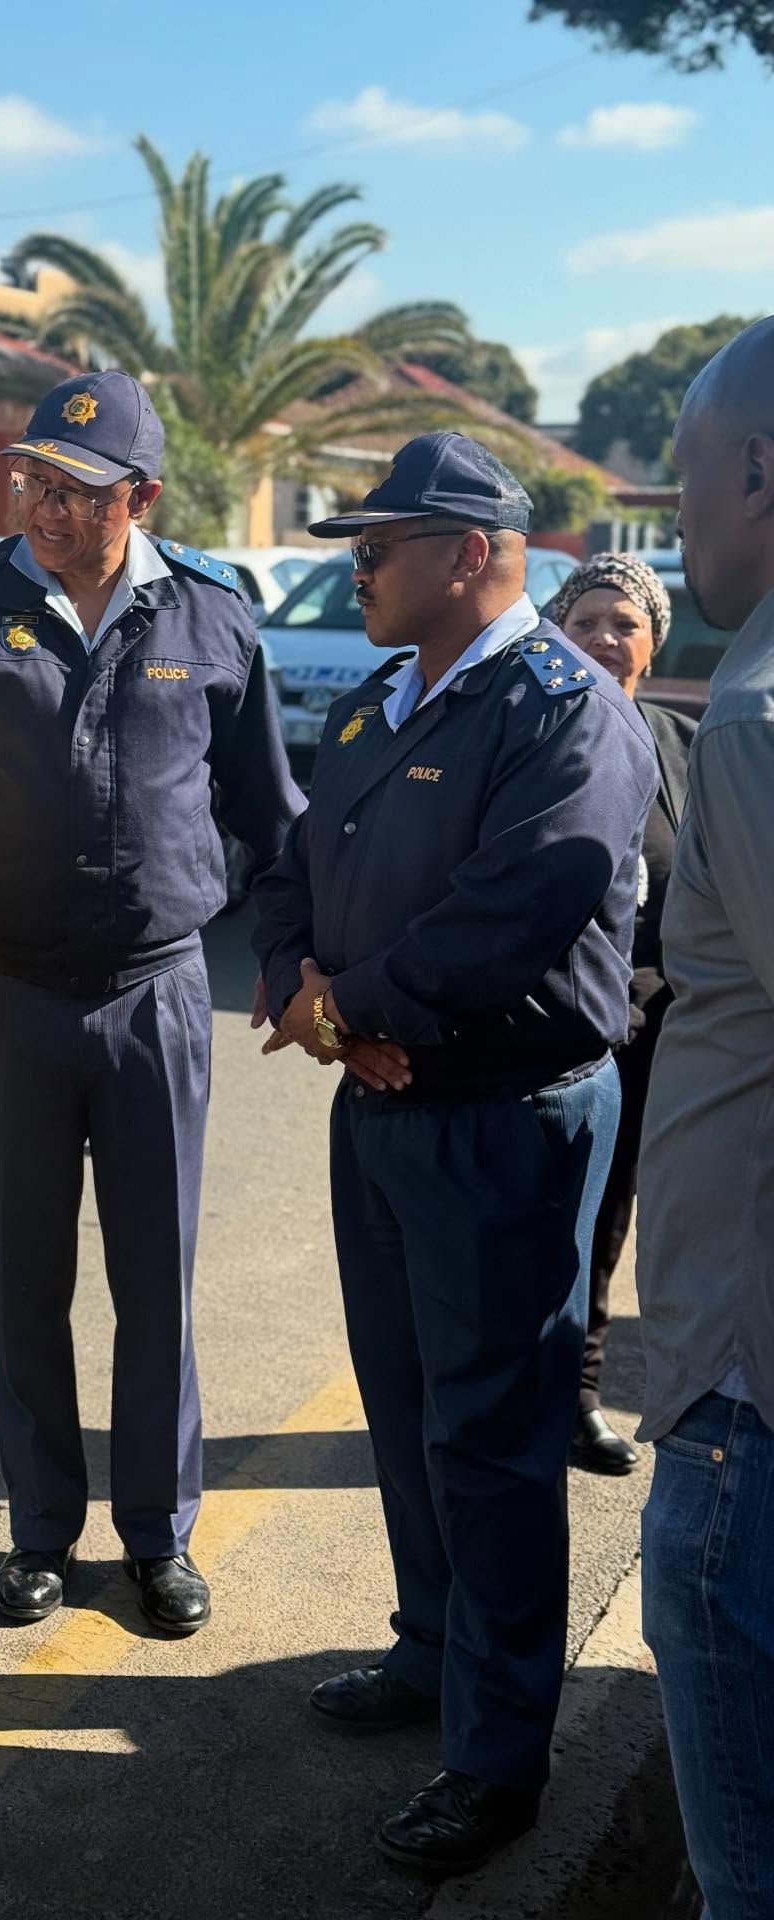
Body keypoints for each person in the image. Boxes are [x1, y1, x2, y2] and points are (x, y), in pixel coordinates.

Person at [251, 432, 657, 1876]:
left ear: (472, 556)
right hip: (382, 1107)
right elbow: (292, 868)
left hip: (502, 1116)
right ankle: (432, 1653)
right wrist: (307, 986)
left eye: (384, 541)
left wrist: (352, 1006)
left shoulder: (569, 714)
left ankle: (498, 1757)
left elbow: (520, 908)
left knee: (491, 1442)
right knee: (410, 1406)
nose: (356, 562)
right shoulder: (376, 702)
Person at [0, 371, 300, 1635]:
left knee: (155, 1278)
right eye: (32, 482)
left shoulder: (213, 618)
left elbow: (273, 819)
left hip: (158, 998)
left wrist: (298, 956)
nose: (43, 508)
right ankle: (40, 1530)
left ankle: (157, 1535)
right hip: (10, 996)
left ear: (140, 498)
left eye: (74, 491)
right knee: (25, 1279)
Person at [637, 317, 774, 1920]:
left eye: (682, 480)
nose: (673, 523)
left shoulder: (748, 717)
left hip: (746, 1395)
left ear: (755, 469)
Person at [549, 554, 696, 1477]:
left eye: (625, 623)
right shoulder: (536, 732)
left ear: (653, 642)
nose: (607, 638)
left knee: (608, 1218)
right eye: (588, 620)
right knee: (538, 1216)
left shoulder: (681, 739)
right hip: (553, 1025)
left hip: (658, 1030)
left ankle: (578, 1397)